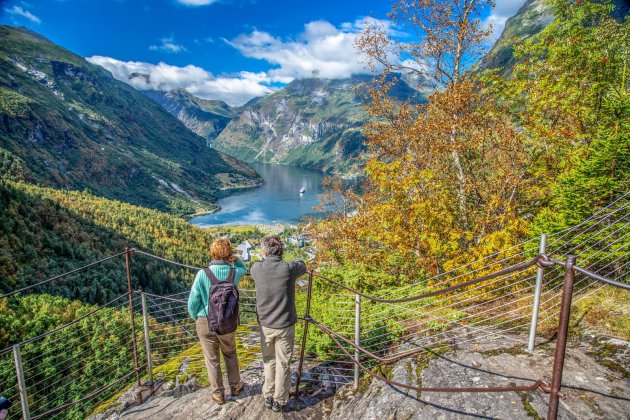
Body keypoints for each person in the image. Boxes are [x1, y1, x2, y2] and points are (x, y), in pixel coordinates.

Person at [250, 235, 307, 412]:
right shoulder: (288, 268)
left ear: (265, 251)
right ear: (281, 250)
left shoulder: (256, 269)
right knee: (283, 362)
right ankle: (280, 400)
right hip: (285, 324)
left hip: (265, 324)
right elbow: (303, 265)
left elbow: (258, 266)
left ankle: (268, 394)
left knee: (268, 361)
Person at [188, 238, 246, 405]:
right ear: (228, 254)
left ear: (212, 253)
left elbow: (193, 302)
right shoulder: (234, 273)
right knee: (230, 353)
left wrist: (197, 318)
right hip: (227, 322)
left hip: (205, 321)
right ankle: (235, 386)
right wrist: (234, 257)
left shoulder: (202, 274)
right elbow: (243, 267)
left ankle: (218, 394)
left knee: (212, 359)